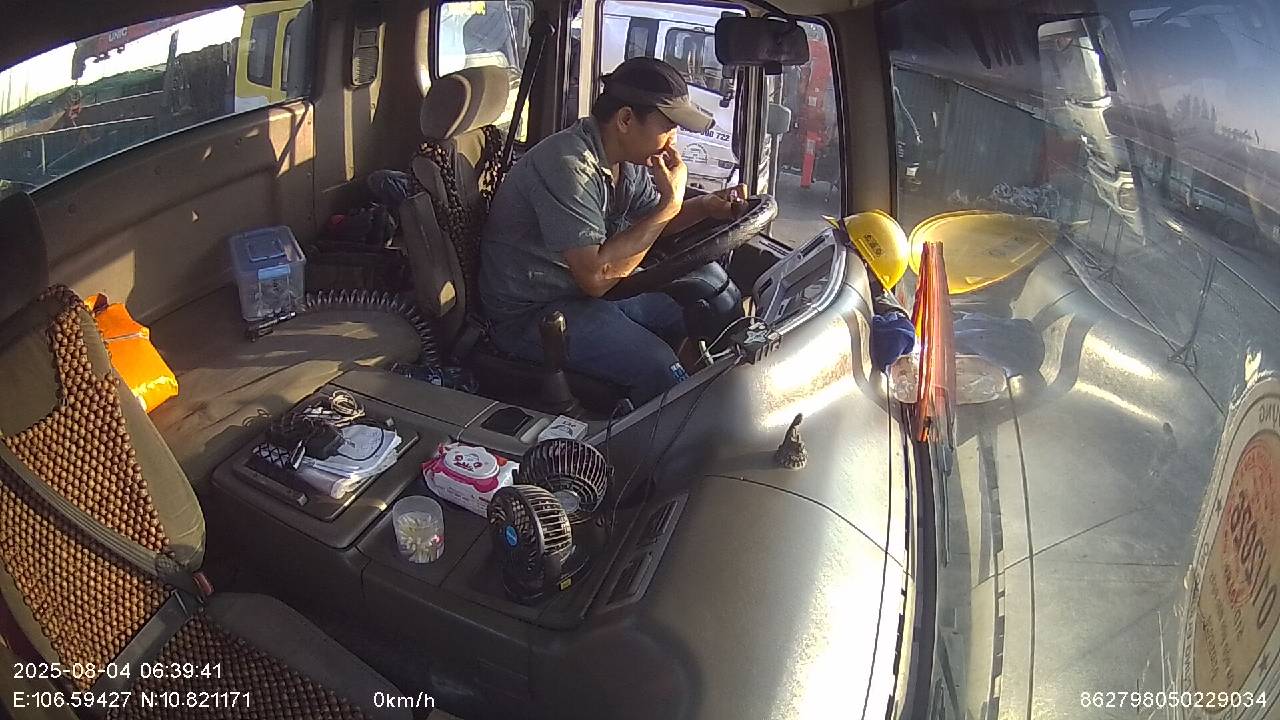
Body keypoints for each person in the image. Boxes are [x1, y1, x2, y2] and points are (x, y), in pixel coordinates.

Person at [479, 57, 746, 403]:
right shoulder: (568, 166)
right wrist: (671, 203)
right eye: (668, 127)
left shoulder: (624, 162)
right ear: (625, 120)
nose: (673, 142)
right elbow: (596, 278)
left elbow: (651, 223)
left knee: (695, 313)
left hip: (579, 292)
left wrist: (706, 207)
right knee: (659, 367)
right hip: (535, 312)